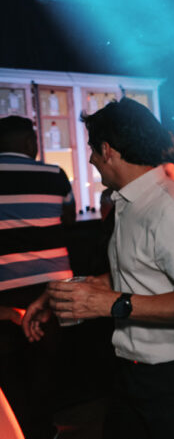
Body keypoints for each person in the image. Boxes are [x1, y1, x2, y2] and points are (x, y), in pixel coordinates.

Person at [22, 99, 174, 439]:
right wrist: (65, 295)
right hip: (130, 374)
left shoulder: (173, 207)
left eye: (92, 149)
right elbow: (137, 270)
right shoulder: (129, 202)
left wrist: (110, 303)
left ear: (107, 150)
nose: (90, 159)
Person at [0, 115, 75, 439]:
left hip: (5, 290)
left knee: (9, 371)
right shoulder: (54, 174)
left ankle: (16, 431)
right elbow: (69, 219)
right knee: (45, 366)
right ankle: (43, 430)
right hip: (51, 287)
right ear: (29, 142)